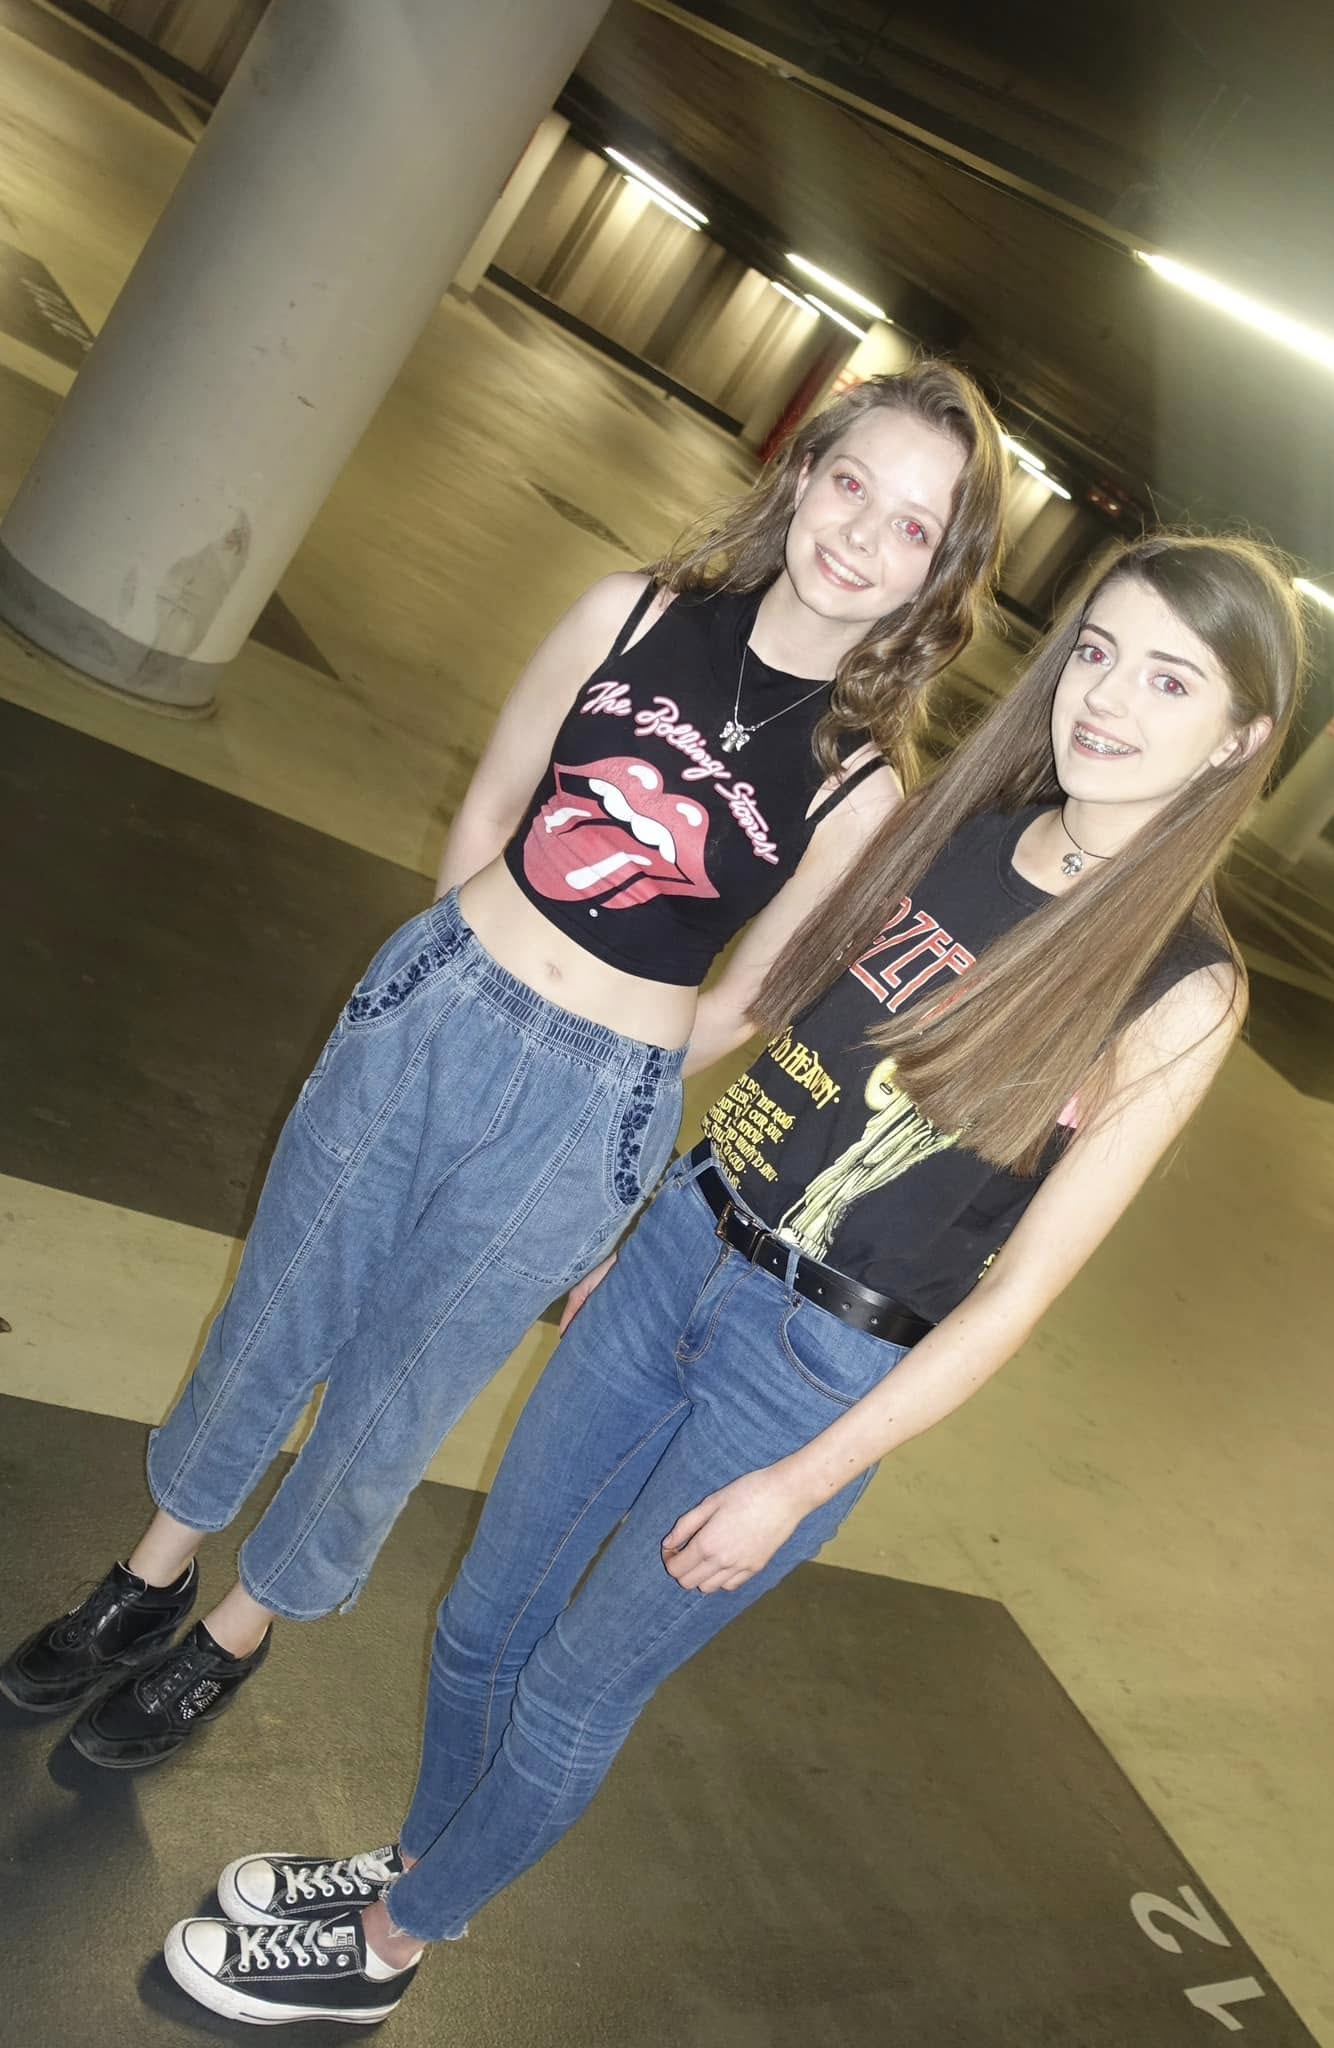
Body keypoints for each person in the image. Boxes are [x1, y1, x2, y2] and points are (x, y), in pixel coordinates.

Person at [155, 530, 1308, 2026]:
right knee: (482, 1619)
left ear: (1240, 740)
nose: (1107, 700)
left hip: (811, 1375)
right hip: (681, 1249)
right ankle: (422, 1859)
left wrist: (801, 1483)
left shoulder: (1181, 988)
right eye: (1096, 652)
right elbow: (793, 1042)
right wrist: (640, 1213)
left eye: (1170, 681)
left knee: (574, 1689)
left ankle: (388, 1946)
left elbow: (1016, 1296)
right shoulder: (967, 827)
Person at [0, 362, 1008, 1768]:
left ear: (937, 573)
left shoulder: (860, 783)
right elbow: (494, 804)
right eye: (853, 483)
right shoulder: (630, 613)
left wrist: (620, 1074)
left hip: (591, 1108)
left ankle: (238, 1628)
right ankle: (149, 1574)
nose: (860, 534)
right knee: (282, 1302)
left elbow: (760, 994)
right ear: (802, 476)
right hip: (437, 1010)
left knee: (407, 1379)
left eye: (911, 525)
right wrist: (464, 977)